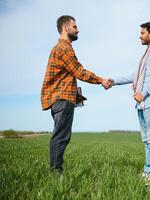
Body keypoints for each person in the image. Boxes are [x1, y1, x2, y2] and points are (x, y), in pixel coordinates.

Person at [41, 15, 109, 174]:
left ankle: (55, 171)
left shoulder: (60, 48)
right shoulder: (64, 48)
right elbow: (79, 72)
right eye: (75, 26)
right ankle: (56, 174)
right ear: (65, 28)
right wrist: (101, 80)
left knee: (60, 136)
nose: (78, 30)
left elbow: (68, 76)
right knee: (61, 137)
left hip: (60, 99)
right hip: (62, 99)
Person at [105, 22, 150, 183]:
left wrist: (143, 94)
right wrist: (114, 81)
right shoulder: (147, 53)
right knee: (146, 139)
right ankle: (148, 171)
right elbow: (136, 75)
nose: (140, 35)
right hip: (143, 103)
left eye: (142, 33)